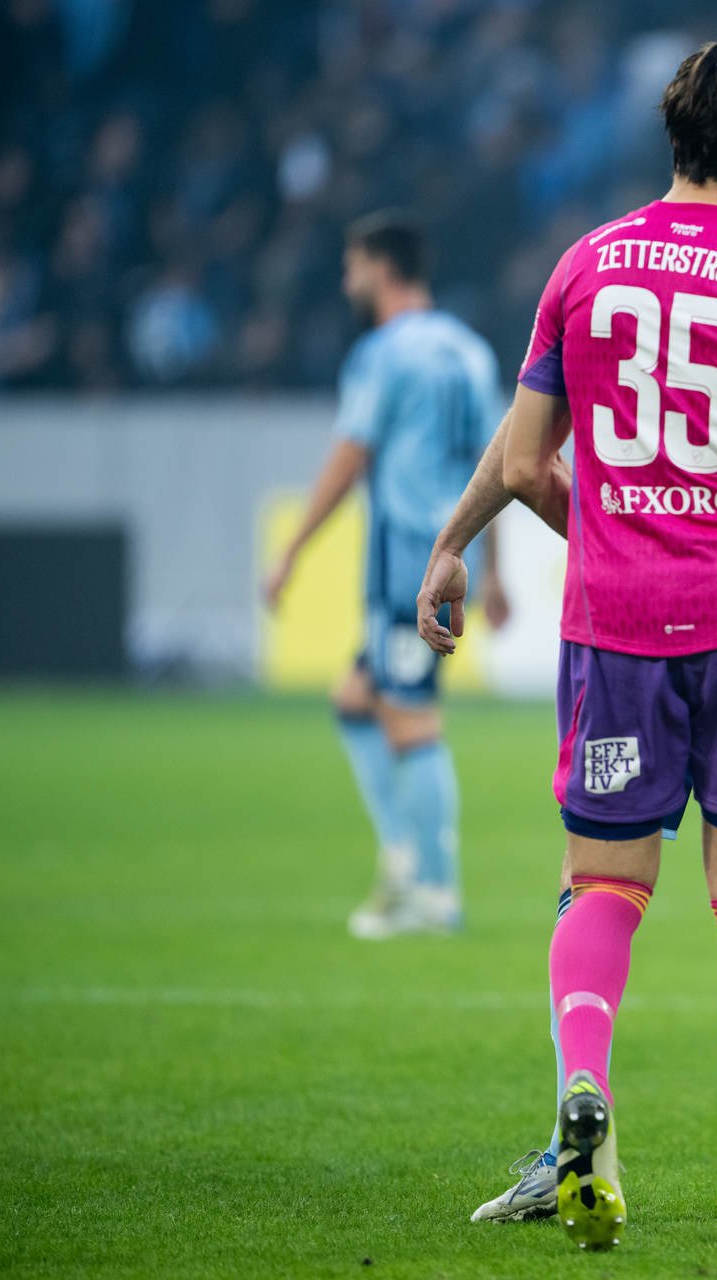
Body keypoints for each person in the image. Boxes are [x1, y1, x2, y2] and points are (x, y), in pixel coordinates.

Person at [414, 39, 717, 1249]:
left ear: (670, 133)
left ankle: (586, 1088)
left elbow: (525, 462)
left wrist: (588, 535)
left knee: (606, 886)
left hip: (613, 628)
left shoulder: (585, 262)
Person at [263, 211, 506, 939]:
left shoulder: (385, 353)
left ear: (380, 267)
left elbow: (350, 456)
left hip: (411, 563)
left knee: (410, 719)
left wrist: (295, 547)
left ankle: (434, 891)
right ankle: (404, 856)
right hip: (453, 555)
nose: (346, 279)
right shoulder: (469, 351)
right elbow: (499, 464)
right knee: (354, 698)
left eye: (352, 264)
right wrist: (493, 570)